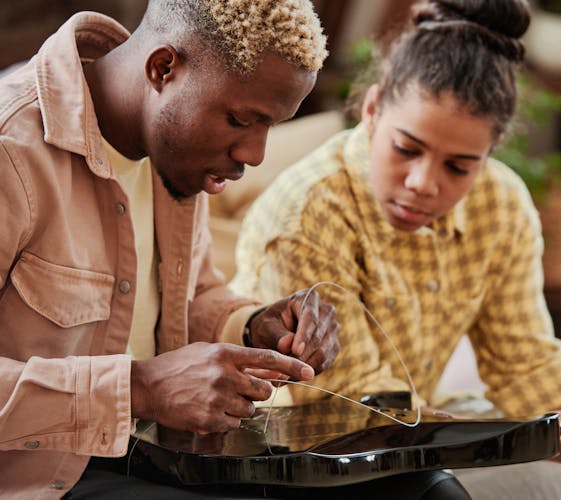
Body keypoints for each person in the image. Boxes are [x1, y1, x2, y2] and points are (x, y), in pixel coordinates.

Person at [231, 0, 561, 498]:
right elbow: (359, 412)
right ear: (371, 110)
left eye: (459, 166)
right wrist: (531, 440)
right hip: (303, 455)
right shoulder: (307, 213)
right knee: (544, 472)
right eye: (407, 149)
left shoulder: (500, 203)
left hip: (415, 433)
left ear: (488, 155)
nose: (422, 183)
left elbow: (527, 363)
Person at [0, 0, 347, 498]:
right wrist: (141, 389)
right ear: (164, 68)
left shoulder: (176, 157)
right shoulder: (11, 149)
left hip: (157, 455)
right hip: (38, 478)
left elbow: (191, 293)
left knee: (421, 488)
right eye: (240, 120)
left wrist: (253, 326)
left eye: (270, 126)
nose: (255, 154)